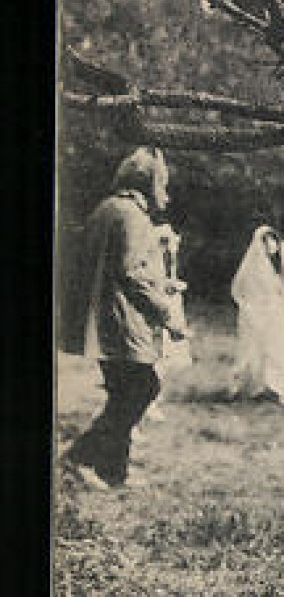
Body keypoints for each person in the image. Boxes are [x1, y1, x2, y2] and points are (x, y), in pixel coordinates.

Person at [61, 147, 186, 491]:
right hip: (122, 321)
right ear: (148, 183)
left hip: (103, 319)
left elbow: (115, 268)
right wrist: (165, 313)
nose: (166, 192)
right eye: (162, 183)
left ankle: (114, 471)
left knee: (123, 391)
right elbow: (131, 273)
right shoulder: (132, 216)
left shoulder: (107, 209)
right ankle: (80, 457)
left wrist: (161, 282)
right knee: (143, 387)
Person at [230, 225, 284, 405]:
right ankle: (250, 387)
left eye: (274, 241)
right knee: (253, 351)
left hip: (277, 316)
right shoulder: (253, 268)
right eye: (268, 241)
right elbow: (242, 291)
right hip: (257, 316)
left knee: (279, 351)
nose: (273, 245)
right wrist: (254, 309)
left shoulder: (279, 266)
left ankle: (279, 388)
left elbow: (282, 292)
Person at [143, 222, 193, 423]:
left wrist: (173, 286)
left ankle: (154, 396)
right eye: (164, 243)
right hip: (157, 312)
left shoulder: (168, 260)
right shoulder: (150, 259)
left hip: (170, 307)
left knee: (167, 355)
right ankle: (149, 401)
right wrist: (168, 287)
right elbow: (151, 285)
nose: (169, 247)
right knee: (156, 355)